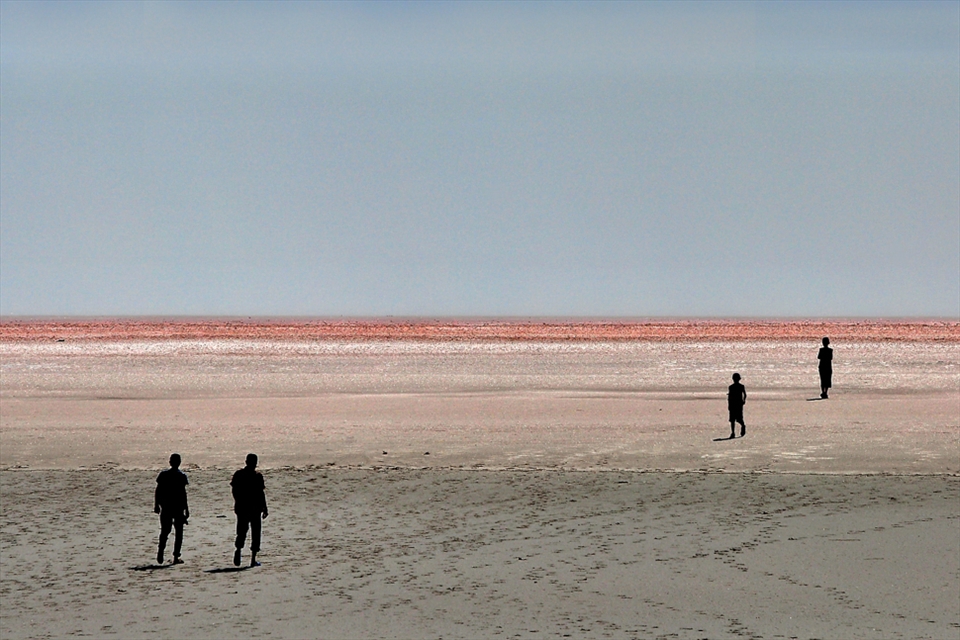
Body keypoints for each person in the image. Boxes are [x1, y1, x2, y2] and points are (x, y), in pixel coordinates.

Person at [231, 453, 268, 567]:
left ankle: (238, 550)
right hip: (254, 508)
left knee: (242, 531)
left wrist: (238, 503)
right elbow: (261, 493)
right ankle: (252, 559)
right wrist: (264, 507)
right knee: (255, 532)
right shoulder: (257, 476)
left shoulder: (239, 474)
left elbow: (234, 491)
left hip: (243, 508)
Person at [155, 453, 189, 565]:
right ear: (179, 463)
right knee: (178, 532)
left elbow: (158, 491)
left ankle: (161, 551)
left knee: (165, 531)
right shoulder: (181, 476)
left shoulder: (164, 475)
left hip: (166, 506)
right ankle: (175, 556)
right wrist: (186, 509)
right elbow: (183, 494)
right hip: (177, 508)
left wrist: (156, 504)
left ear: (170, 462)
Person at [728, 373, 747, 438]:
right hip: (732, 404)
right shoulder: (731, 387)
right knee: (732, 420)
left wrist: (744, 400)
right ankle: (733, 433)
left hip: (739, 404)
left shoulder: (741, 386)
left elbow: (745, 394)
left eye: (736, 378)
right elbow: (729, 397)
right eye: (734, 378)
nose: (735, 380)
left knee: (739, 419)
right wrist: (729, 405)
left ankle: (743, 426)